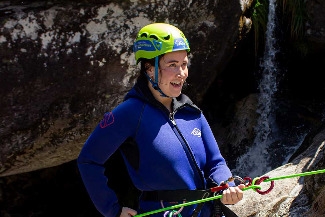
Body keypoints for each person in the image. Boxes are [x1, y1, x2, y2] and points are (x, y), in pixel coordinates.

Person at [77, 22, 245, 217]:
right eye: (172, 65)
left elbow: (215, 163)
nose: (181, 73)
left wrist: (227, 185)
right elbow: (88, 160)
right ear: (149, 69)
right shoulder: (130, 113)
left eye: (184, 64)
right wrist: (113, 210)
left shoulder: (191, 112)